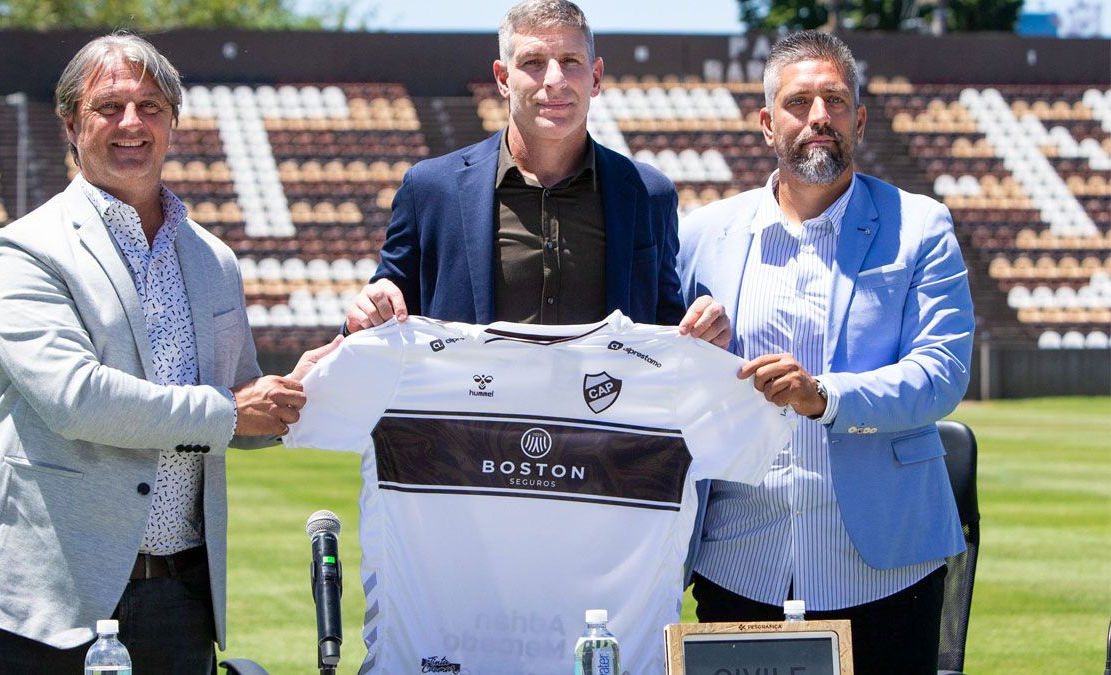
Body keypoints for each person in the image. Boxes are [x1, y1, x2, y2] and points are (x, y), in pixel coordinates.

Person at [0, 32, 337, 674]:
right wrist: (234, 412)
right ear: (71, 123)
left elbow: (239, 402)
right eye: (109, 107)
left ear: (173, 123)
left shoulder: (214, 260)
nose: (133, 123)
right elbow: (77, 400)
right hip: (49, 595)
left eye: (151, 106)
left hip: (179, 594)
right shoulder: (24, 250)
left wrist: (303, 390)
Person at [677, 30, 975, 674]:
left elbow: (942, 374)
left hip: (885, 566)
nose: (819, 117)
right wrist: (689, 346)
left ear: (860, 119)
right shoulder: (702, 236)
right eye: (799, 101)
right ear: (766, 123)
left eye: (835, 101)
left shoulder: (920, 226)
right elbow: (661, 375)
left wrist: (826, 396)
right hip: (737, 559)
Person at [345, 0, 728, 343]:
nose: (554, 80)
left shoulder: (649, 194)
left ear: (595, 78)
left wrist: (703, 334)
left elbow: (666, 330)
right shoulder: (430, 189)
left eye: (570, 62)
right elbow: (383, 312)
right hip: (470, 422)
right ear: (502, 78)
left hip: (599, 422)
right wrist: (364, 314)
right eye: (533, 62)